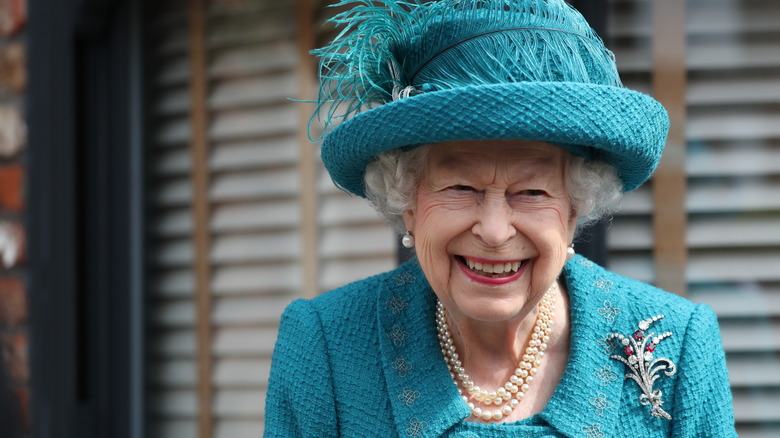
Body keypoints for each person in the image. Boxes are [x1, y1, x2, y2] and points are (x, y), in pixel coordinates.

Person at [265, 0, 737, 436]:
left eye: (531, 192)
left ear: (575, 208)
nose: (494, 231)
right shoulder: (325, 347)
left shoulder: (676, 346)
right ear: (407, 201)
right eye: (460, 188)